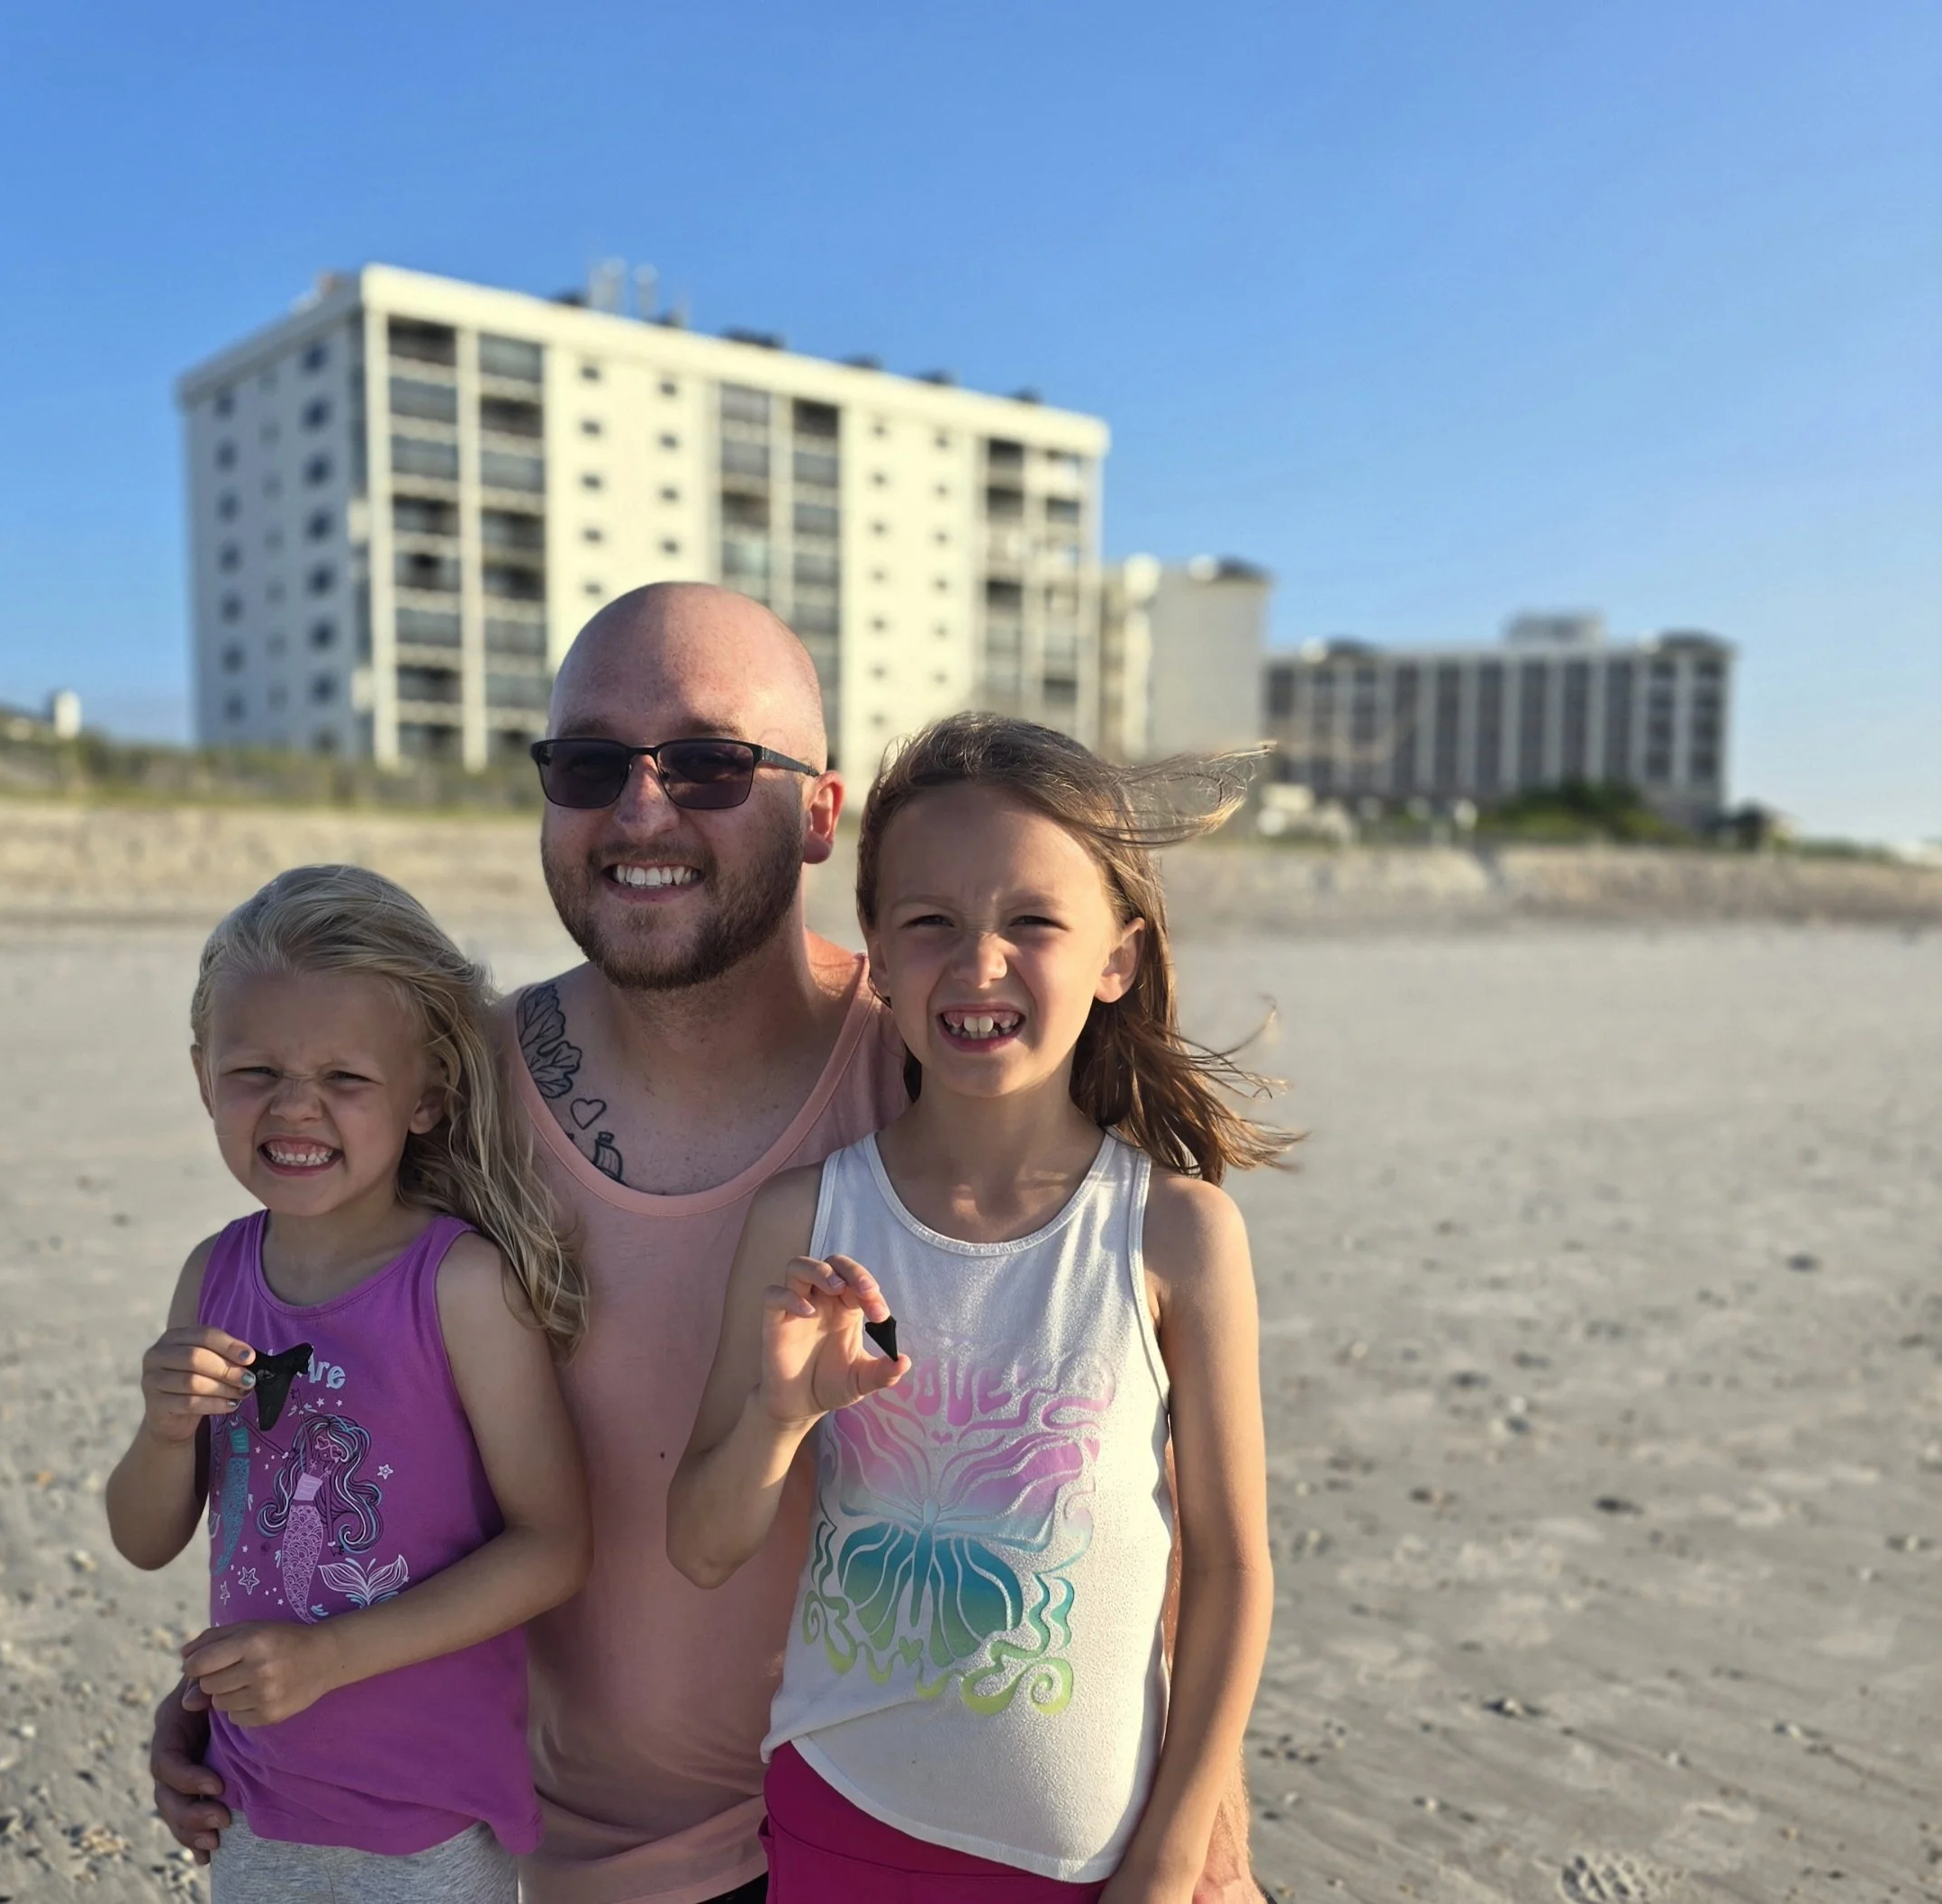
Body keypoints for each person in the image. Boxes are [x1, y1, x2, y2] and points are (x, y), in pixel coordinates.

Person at [149, 584, 1270, 1904]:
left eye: (708, 761)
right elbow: (326, 1410)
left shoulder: (946, 1062)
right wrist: (245, 1700)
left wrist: (1203, 1828)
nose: (641, 809)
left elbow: (1121, 1473)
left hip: (862, 1835)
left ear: (819, 814)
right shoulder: (447, 1097)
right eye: (589, 763)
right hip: (515, 1846)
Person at [669, 712, 1286, 1901]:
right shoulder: (807, 1218)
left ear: (1117, 957)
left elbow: (1232, 1568)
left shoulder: (1175, 1233)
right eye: (931, 923)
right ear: (877, 958)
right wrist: (779, 1417)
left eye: (1032, 922)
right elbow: (700, 1544)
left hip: (1096, 1856)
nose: (978, 963)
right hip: (843, 1822)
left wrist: (1174, 1851)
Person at [108, 864, 592, 1901]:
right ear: (203, 1076)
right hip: (252, 1794)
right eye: (255, 1071)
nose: (296, 1107)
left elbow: (552, 1547)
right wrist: (162, 1431)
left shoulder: (461, 1287)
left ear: (427, 1097)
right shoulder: (213, 1276)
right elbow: (144, 1539)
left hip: (424, 1819)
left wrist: (328, 1658)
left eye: (345, 1078)